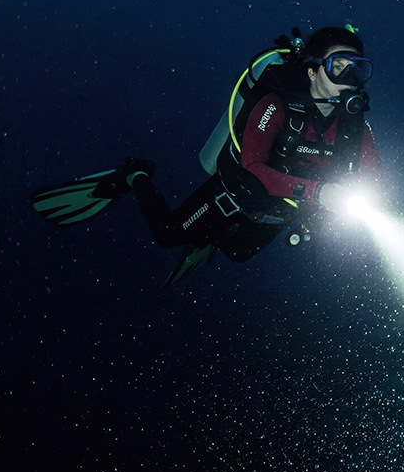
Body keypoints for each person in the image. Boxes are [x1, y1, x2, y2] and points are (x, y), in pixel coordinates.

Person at [30, 25, 381, 287]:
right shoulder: (275, 105)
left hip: (278, 213)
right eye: (339, 66)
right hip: (232, 195)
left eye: (358, 68)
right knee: (167, 235)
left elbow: (374, 180)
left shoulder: (356, 129)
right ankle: (134, 175)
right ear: (312, 70)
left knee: (238, 254)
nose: (349, 78)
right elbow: (253, 167)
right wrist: (318, 192)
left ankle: (209, 236)